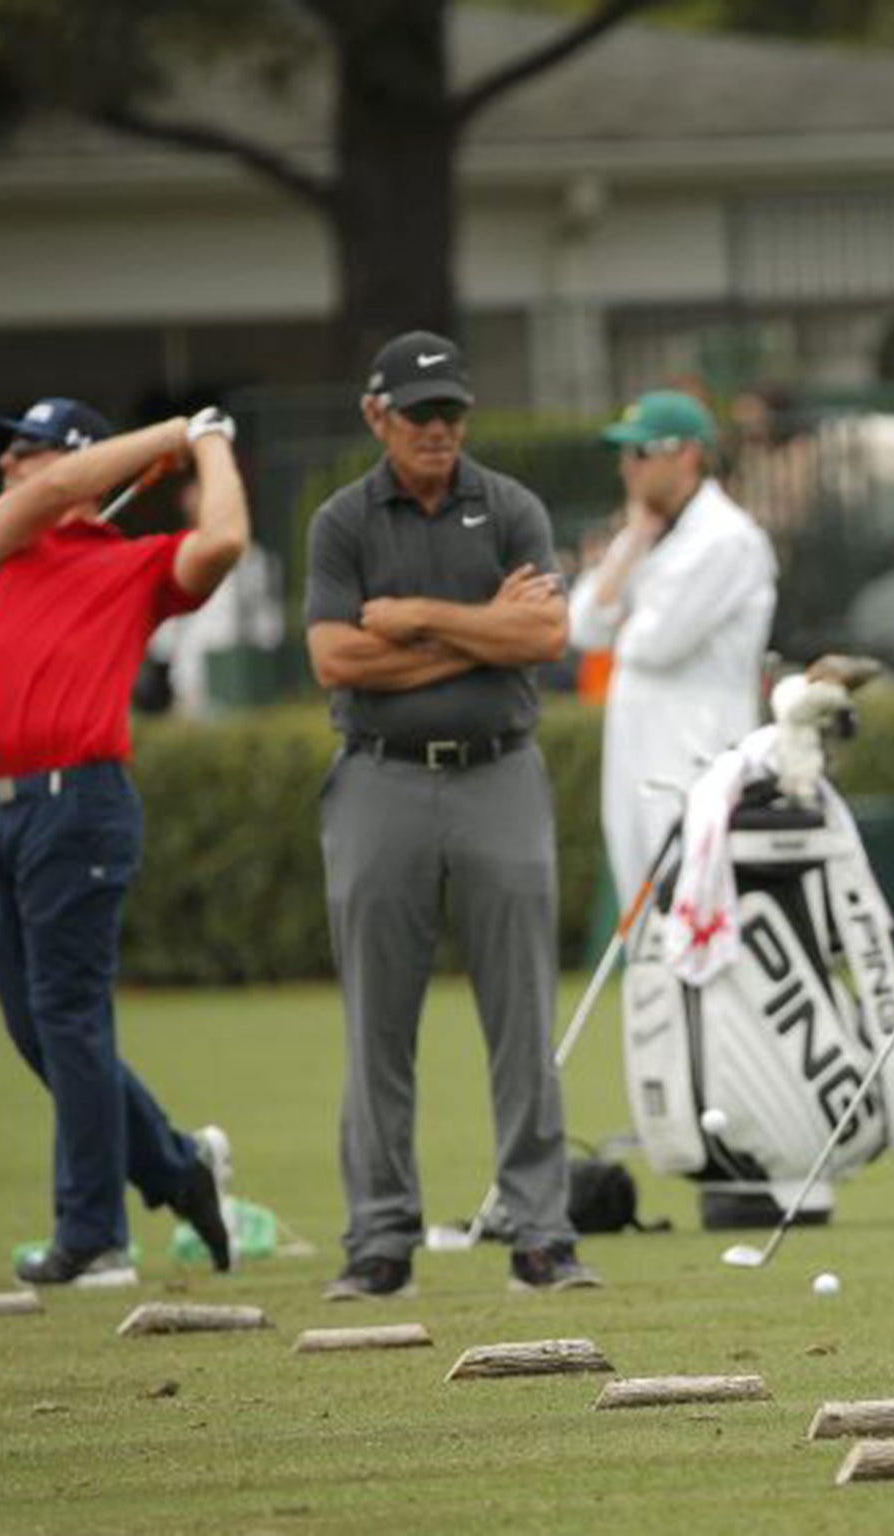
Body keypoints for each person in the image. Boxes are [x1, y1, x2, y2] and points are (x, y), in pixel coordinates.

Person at [304, 331, 586, 1299]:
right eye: (420, 414)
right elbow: (337, 660)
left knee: (522, 1015)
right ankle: (379, 1239)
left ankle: (539, 1231)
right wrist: (483, 633)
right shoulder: (342, 521)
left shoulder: (509, 506)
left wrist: (418, 617)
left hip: (499, 772)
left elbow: (546, 632)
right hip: (378, 776)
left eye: (452, 413)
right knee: (376, 1021)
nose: (439, 430)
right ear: (377, 415)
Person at [0, 396, 243, 1286]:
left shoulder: (133, 566)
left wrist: (214, 446)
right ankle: (174, 1163)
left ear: (78, 457)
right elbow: (58, 490)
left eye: (26, 452)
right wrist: (176, 434)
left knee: (71, 1016)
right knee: (34, 1025)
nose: (8, 467)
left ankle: (95, 1236)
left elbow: (223, 543)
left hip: (81, 804)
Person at [568, 389, 777, 898]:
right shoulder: (644, 532)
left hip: (698, 755)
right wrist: (634, 542)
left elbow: (652, 643)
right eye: (625, 454)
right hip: (636, 755)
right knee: (642, 922)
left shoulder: (729, 538)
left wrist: (624, 612)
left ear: (687, 453)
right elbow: (582, 627)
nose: (628, 468)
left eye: (641, 453)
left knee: (699, 912)